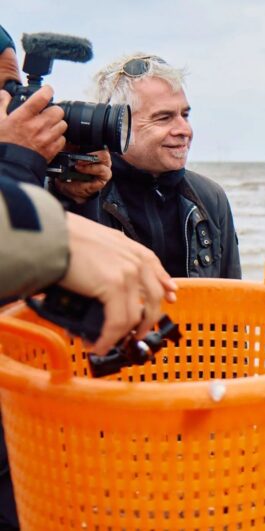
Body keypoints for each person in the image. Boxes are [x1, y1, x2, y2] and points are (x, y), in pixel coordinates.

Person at [0, 25, 178, 529]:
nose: (12, 108)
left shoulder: (203, 199)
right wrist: (17, 166)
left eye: (13, 92)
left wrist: (72, 196)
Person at [57, 53, 241, 279]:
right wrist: (79, 201)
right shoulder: (77, 193)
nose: (185, 130)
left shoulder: (210, 197)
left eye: (185, 115)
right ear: (116, 125)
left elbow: (233, 297)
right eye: (164, 118)